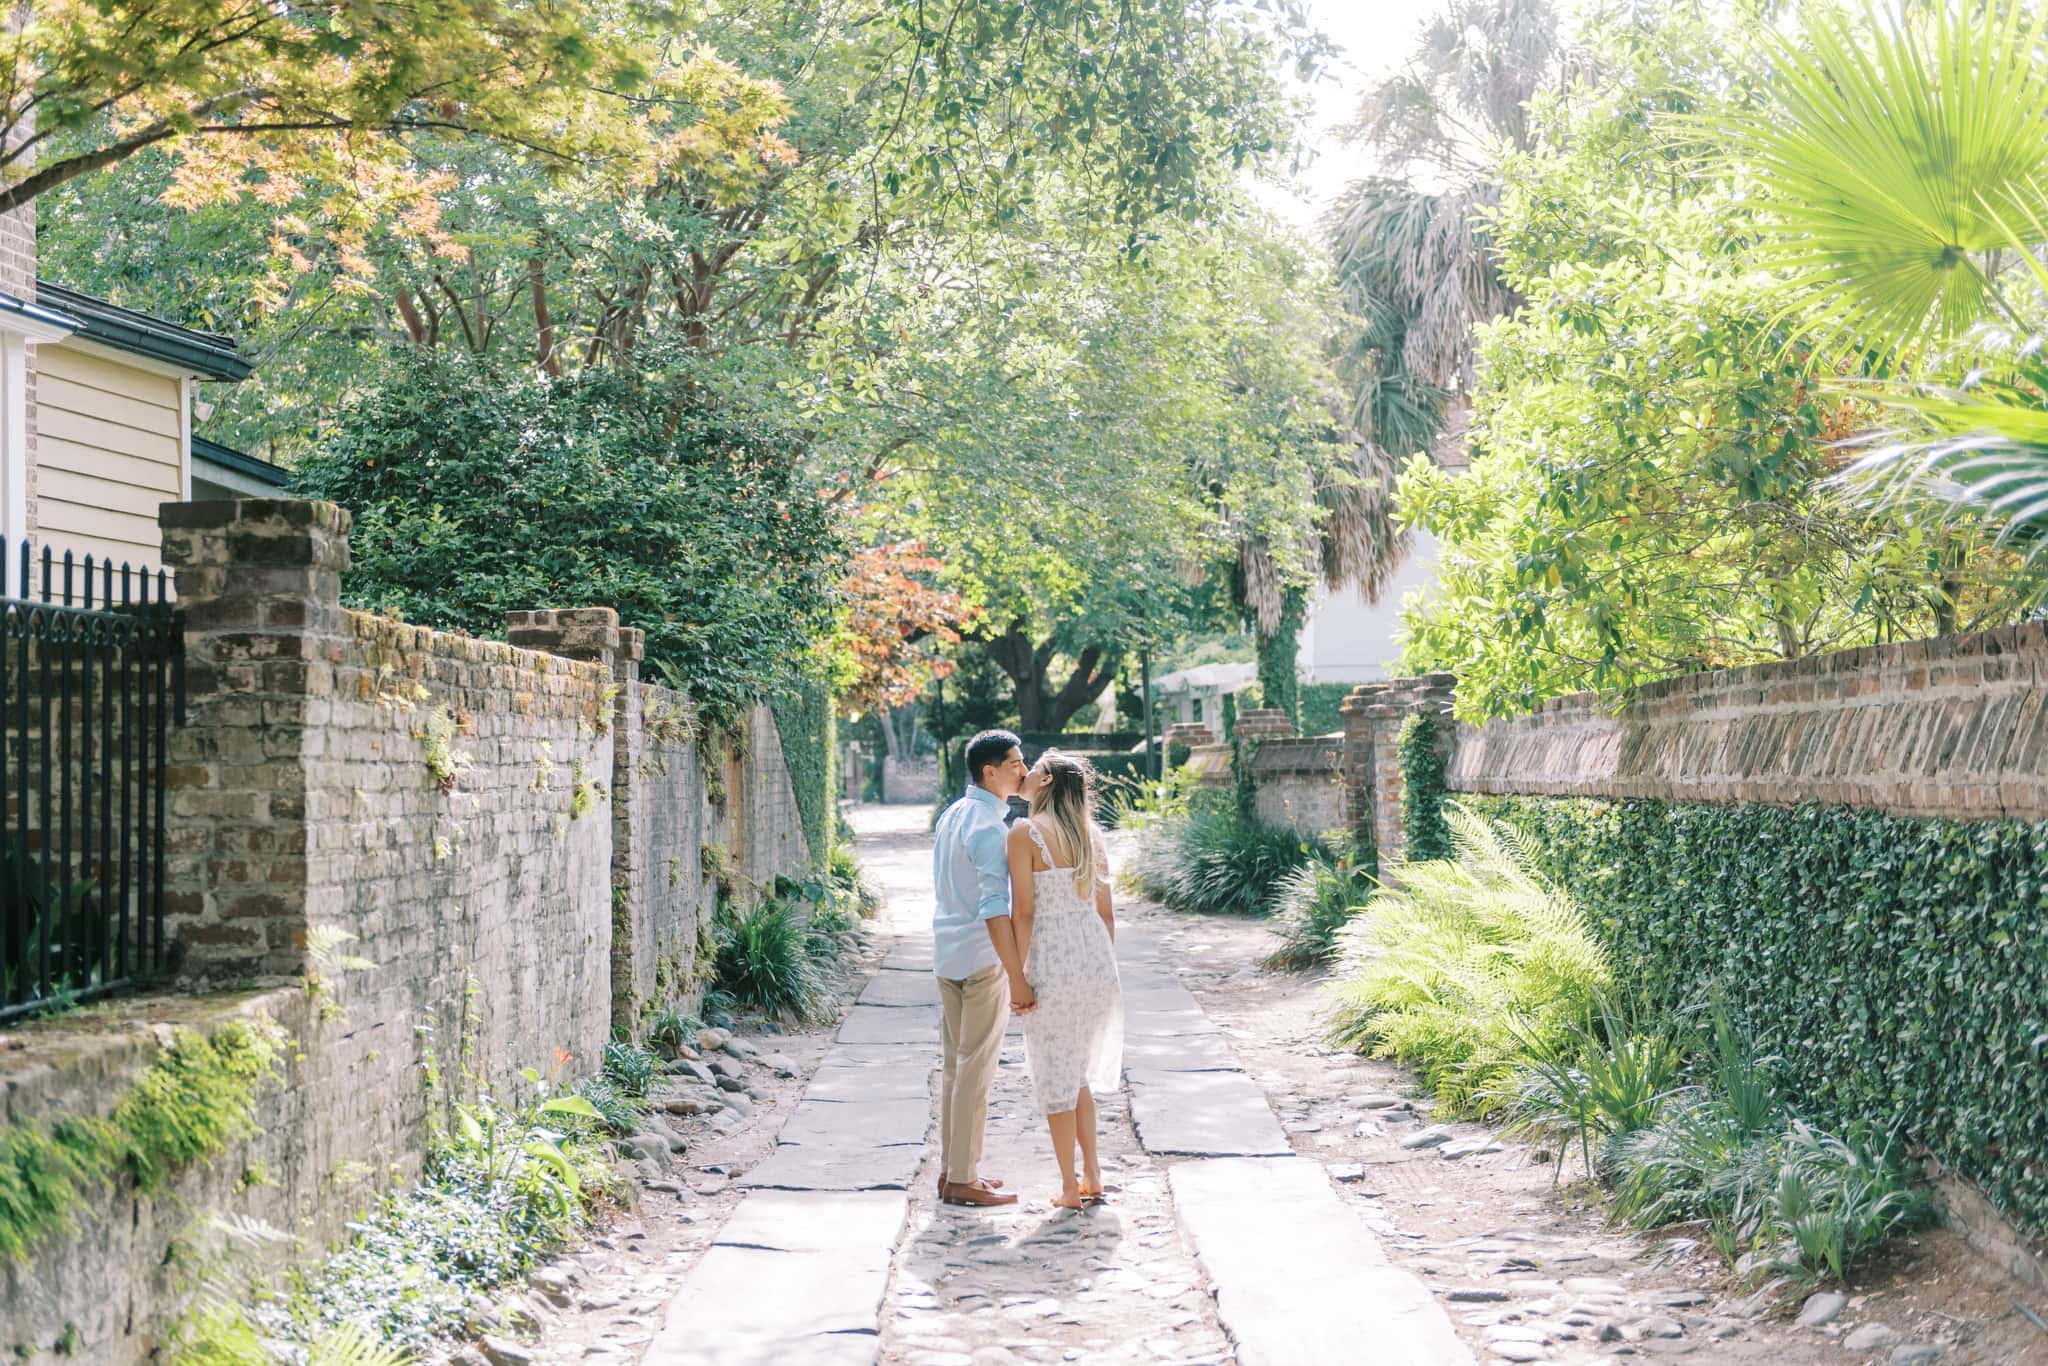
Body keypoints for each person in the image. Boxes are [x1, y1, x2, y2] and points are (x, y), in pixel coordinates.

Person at [1006, 750, 1124, 1210]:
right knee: (1076, 1076)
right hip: (1095, 960)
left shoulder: (1024, 834)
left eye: (1032, 768)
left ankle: (1069, 1187)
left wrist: (1019, 974)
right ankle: (1094, 1173)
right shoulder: (1091, 836)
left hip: (1052, 960)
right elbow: (1107, 914)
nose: (1025, 772)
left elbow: (1024, 912)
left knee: (1055, 1077)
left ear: (1047, 779)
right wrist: (1100, 967)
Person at [929, 728, 1039, 1207]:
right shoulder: (991, 827)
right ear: (989, 771)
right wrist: (1017, 975)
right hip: (980, 959)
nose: (1024, 769)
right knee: (975, 1072)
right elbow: (996, 907)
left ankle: (955, 1170)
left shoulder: (952, 815)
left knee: (957, 1067)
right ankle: (962, 1178)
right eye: (1015, 762)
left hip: (947, 954)